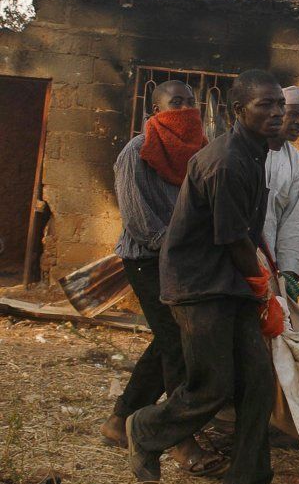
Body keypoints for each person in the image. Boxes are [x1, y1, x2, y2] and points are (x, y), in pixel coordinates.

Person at [125, 69, 285, 484]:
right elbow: (232, 237)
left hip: (226, 281)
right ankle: (145, 430)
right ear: (238, 111)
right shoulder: (228, 159)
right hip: (199, 286)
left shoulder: (254, 153)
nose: (276, 113)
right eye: (265, 105)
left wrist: (263, 278)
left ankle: (250, 474)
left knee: (258, 384)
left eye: (279, 104)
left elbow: (248, 231)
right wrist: (262, 289)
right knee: (211, 386)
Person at [100, 80, 227, 477]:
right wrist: (177, 249)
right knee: (176, 341)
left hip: (184, 261)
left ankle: (121, 420)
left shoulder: (200, 151)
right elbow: (138, 220)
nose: (185, 110)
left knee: (169, 338)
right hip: (147, 259)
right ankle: (175, 437)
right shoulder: (136, 151)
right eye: (176, 103)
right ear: (155, 110)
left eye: (191, 103)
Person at [264, 85, 299, 302]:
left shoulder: (297, 163)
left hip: (268, 258)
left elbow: (293, 220)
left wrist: (289, 272)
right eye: (293, 114)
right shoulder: (249, 149)